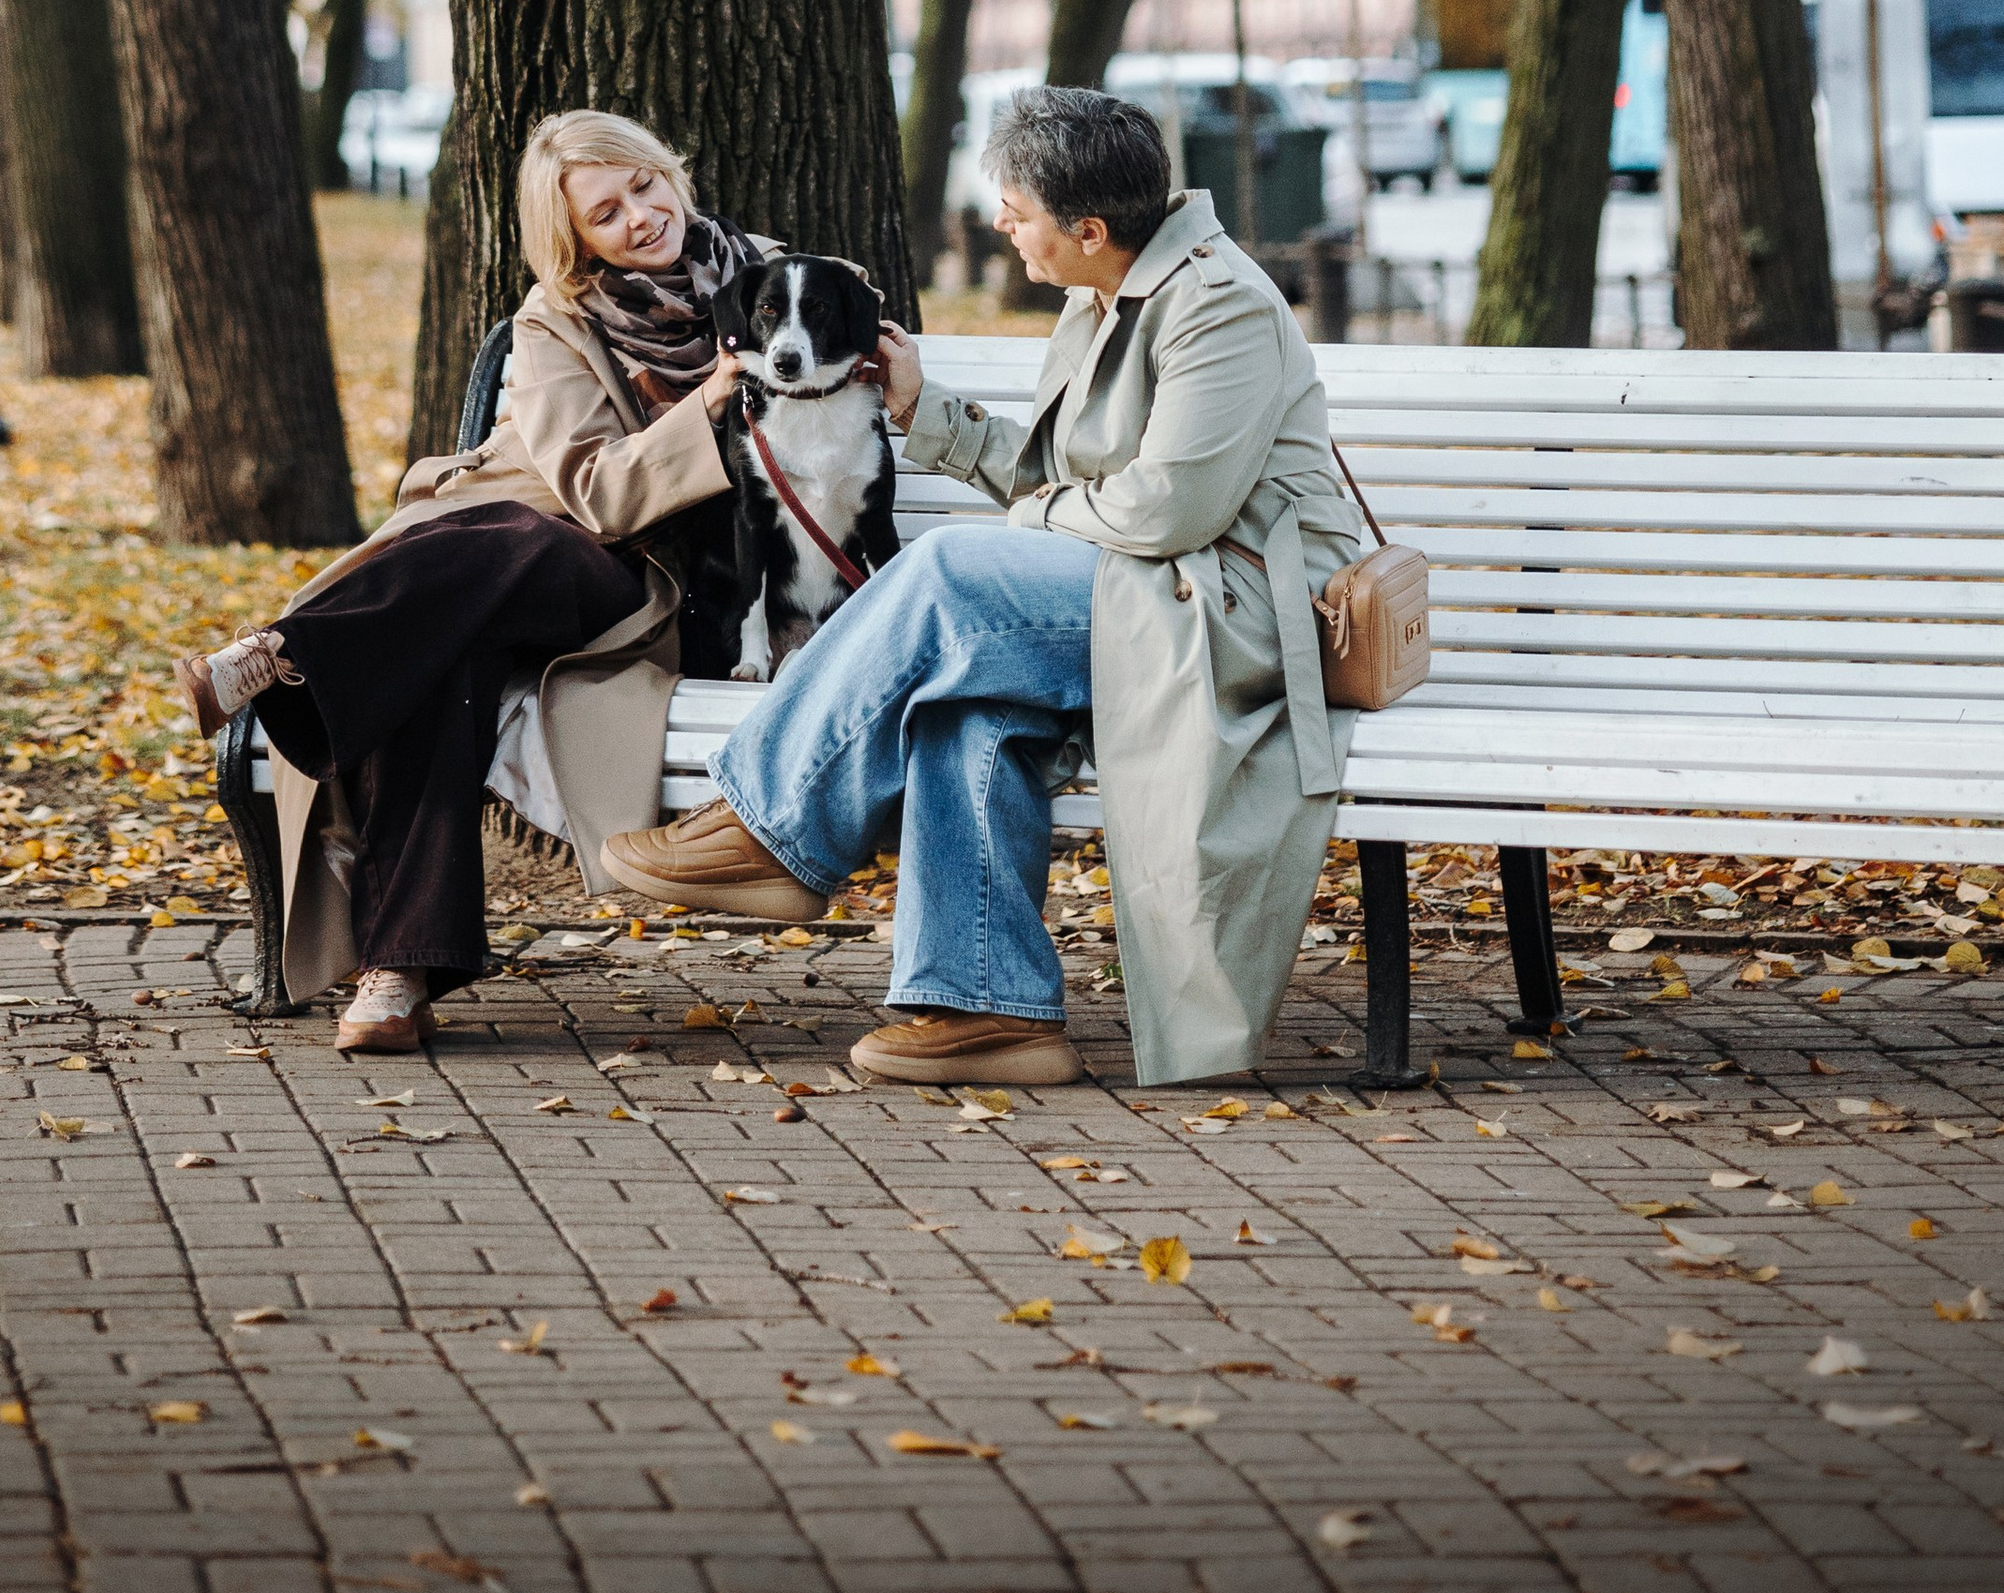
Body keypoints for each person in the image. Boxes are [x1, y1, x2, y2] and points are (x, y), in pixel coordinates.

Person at [602, 85, 1362, 1090]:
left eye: (1016, 210)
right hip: (1144, 593)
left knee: (950, 566)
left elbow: (1168, 509)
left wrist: (1023, 524)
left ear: (1087, 231)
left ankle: (771, 826)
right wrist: (928, 413)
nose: (1000, 224)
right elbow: (1079, 485)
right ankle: (989, 1010)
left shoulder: (1216, 308)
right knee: (961, 712)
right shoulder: (1106, 297)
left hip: (1231, 611)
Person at [177, 109, 795, 1055]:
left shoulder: (773, 282)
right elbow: (590, 483)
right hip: (497, 567)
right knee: (442, 663)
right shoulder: (557, 321)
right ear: (576, 239)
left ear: (670, 173)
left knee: (517, 539)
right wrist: (706, 406)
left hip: (635, 583)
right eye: (605, 213)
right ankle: (401, 972)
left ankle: (290, 657)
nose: (639, 216)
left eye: (643, 186)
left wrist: (711, 400)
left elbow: (605, 507)